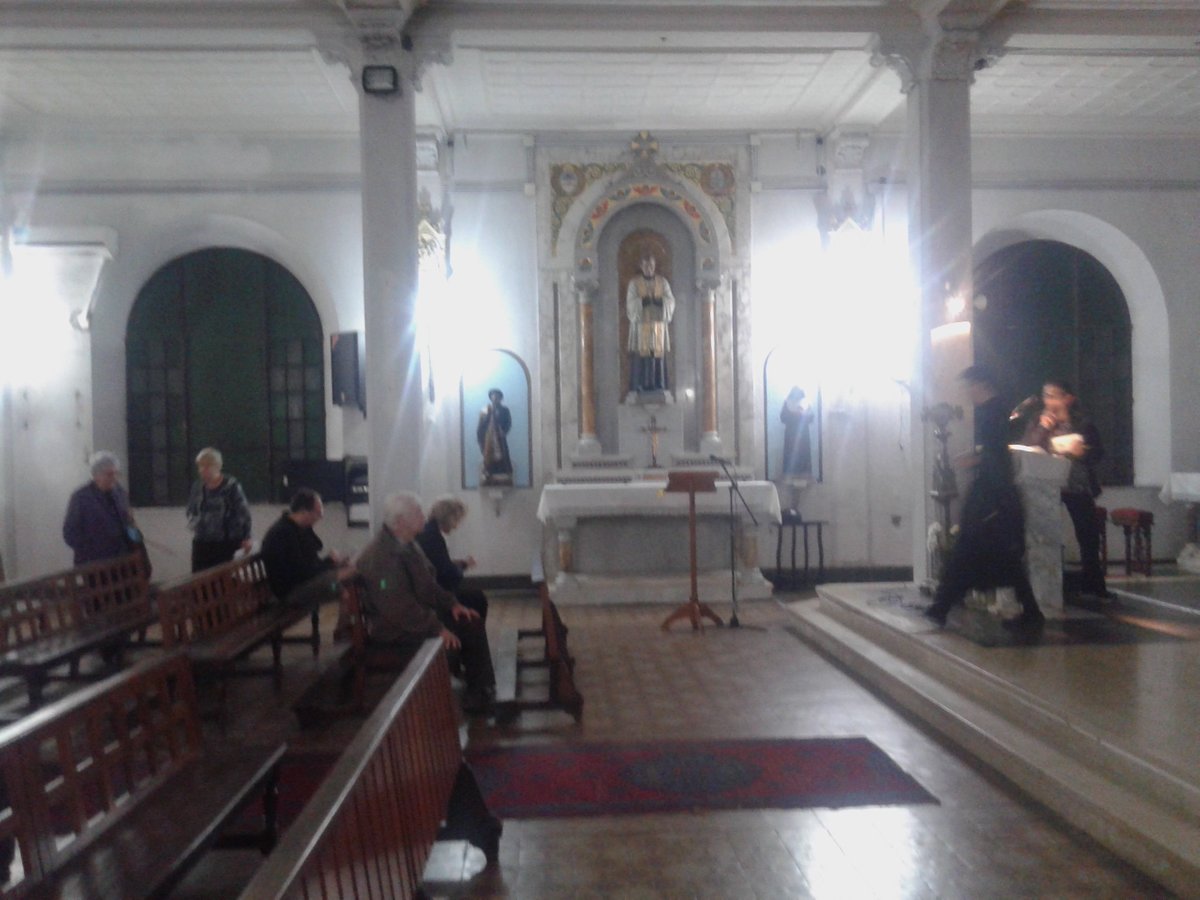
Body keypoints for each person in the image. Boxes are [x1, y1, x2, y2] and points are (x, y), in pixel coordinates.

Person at [925, 366, 1044, 630]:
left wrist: (975, 460)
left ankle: (941, 606)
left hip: (993, 494)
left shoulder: (994, 411)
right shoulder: (994, 410)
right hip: (993, 490)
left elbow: (994, 452)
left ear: (982, 385)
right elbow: (992, 450)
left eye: (970, 386)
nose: (968, 392)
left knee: (974, 550)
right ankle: (941, 606)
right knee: (996, 557)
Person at [355, 492, 497, 715]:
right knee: (463, 630)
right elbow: (399, 608)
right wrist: (438, 628)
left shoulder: (406, 543)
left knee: (469, 618)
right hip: (395, 630)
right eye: (418, 513)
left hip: (413, 620)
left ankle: (481, 690)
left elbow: (429, 585)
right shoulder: (382, 555)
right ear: (400, 521)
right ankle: (478, 692)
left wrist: (452, 604)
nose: (425, 516)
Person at [1022, 378, 1108, 599]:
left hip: (1077, 484)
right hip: (1047, 486)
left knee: (1088, 535)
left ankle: (1094, 585)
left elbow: (1097, 453)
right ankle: (1047, 587)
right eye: (1045, 395)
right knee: (1044, 534)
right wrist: (1043, 428)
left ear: (1068, 399)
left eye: (1053, 395)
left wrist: (1083, 452)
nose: (1048, 400)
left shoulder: (1083, 424)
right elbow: (1029, 448)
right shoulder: (1038, 421)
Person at [260, 488, 350, 609]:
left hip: (303, 584)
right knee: (336, 583)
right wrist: (330, 562)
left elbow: (311, 564)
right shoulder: (282, 533)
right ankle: (350, 622)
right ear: (304, 512)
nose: (320, 517)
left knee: (347, 574)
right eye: (317, 513)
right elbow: (303, 572)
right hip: (291, 593)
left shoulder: (300, 528)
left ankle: (351, 621)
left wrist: (332, 562)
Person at [62, 451, 144, 566]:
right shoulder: (81, 498)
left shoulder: (120, 494)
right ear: (96, 475)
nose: (114, 478)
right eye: (109, 474)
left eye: (116, 474)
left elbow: (129, 525)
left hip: (123, 561)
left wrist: (136, 539)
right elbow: (70, 533)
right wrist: (93, 550)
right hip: (95, 565)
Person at [416, 496, 489, 622]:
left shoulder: (429, 532)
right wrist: (463, 566)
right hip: (433, 593)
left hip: (429, 588)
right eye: (457, 520)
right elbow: (448, 574)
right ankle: (471, 638)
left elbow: (438, 563)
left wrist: (458, 564)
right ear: (449, 518)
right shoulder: (432, 537)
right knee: (477, 599)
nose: (456, 526)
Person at [185, 447, 252, 572]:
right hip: (202, 543)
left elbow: (244, 513)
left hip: (227, 543)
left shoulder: (231, 487)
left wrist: (247, 537)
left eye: (207, 467)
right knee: (199, 581)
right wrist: (195, 524)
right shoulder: (197, 487)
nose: (202, 471)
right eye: (200, 467)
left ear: (217, 466)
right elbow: (190, 510)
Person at [625, 250, 676, 393]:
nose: (649, 269)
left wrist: (660, 302)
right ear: (641, 266)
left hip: (658, 326)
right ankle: (641, 385)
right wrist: (644, 301)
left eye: (652, 266)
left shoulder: (662, 282)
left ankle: (659, 384)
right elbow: (630, 304)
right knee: (642, 356)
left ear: (655, 266)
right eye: (646, 266)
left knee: (657, 355)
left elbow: (671, 301)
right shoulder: (634, 283)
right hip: (641, 327)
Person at [476, 388, 514, 486]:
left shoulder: (504, 410)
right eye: (493, 396)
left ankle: (503, 473)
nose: (495, 398)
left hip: (499, 437)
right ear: (491, 398)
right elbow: (481, 426)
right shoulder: (485, 410)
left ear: (500, 398)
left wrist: (503, 431)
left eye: (497, 396)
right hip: (489, 437)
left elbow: (508, 423)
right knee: (489, 455)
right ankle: (489, 472)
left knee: (501, 454)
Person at [780, 387, 815, 478]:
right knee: (791, 457)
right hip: (791, 436)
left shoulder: (805, 403)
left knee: (803, 457)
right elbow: (783, 417)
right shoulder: (787, 403)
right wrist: (794, 415)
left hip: (803, 436)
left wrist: (802, 414)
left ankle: (803, 474)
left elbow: (811, 417)